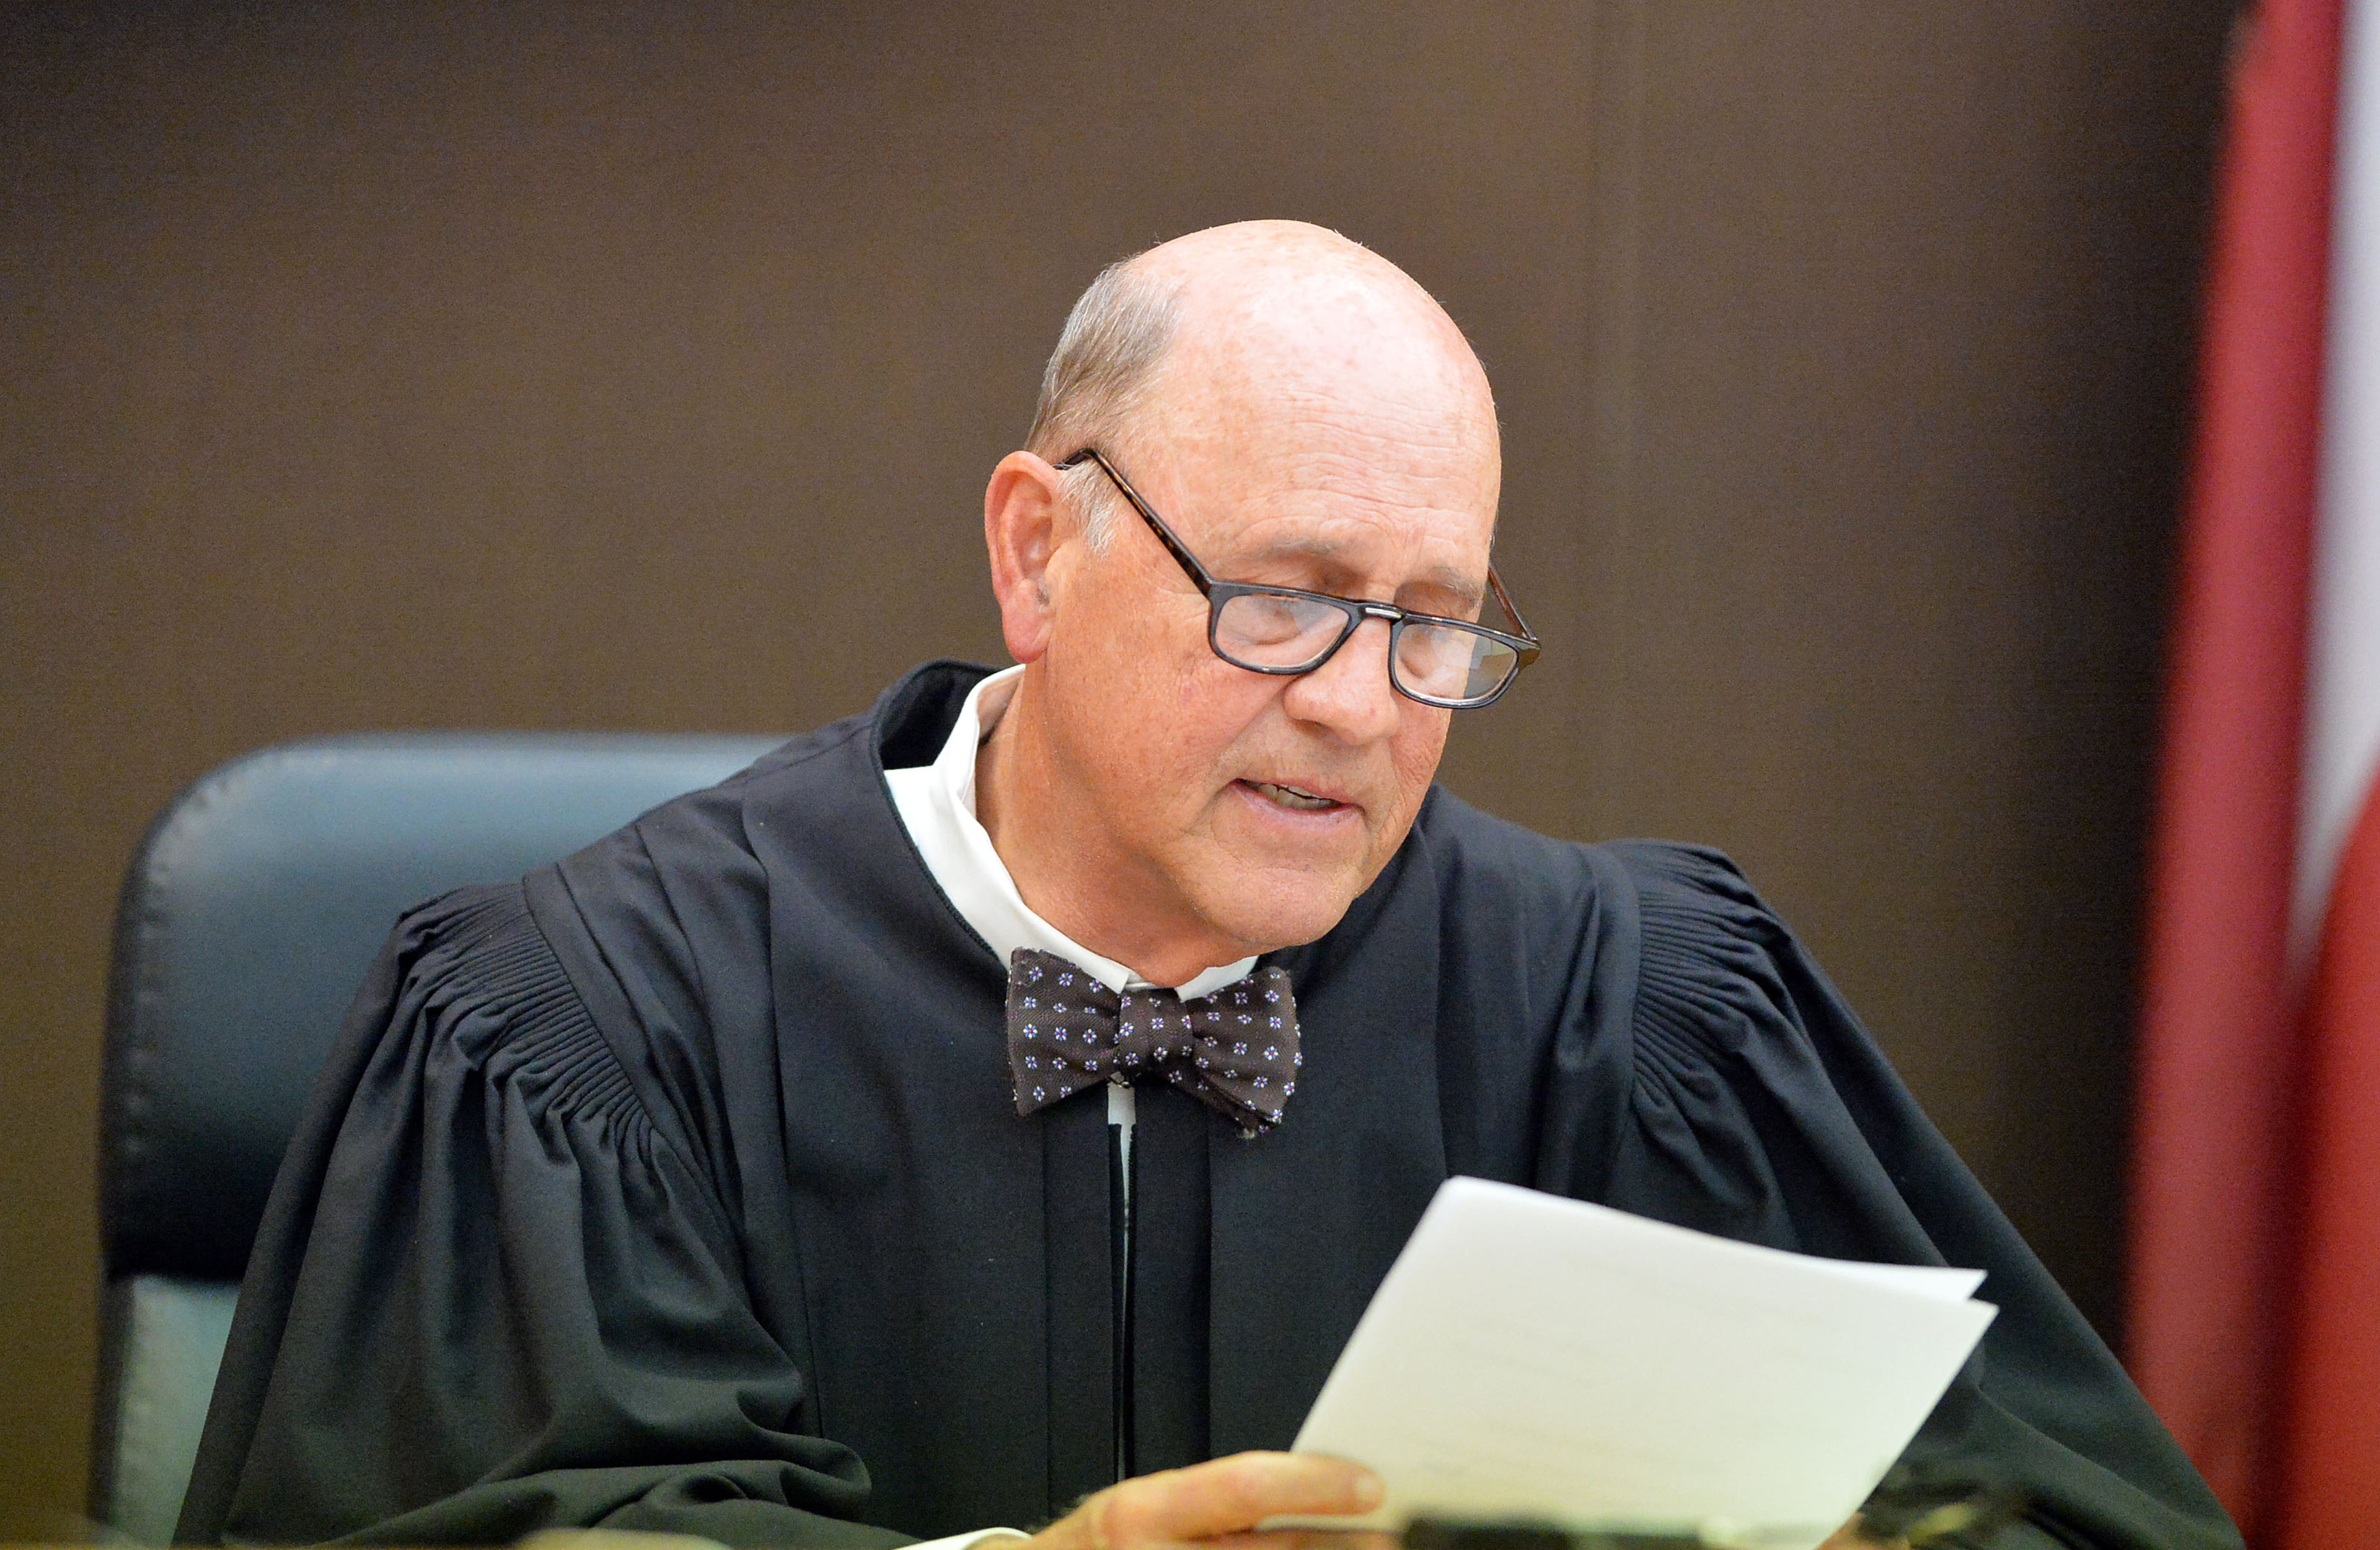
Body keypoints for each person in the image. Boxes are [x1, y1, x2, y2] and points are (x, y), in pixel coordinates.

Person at [178, 222, 2238, 1550]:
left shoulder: (1639, 1016)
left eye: (1440, 626)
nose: (1364, 706)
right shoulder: (580, 1029)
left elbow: (2057, 1508)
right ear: (1036, 553)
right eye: (1286, 600)